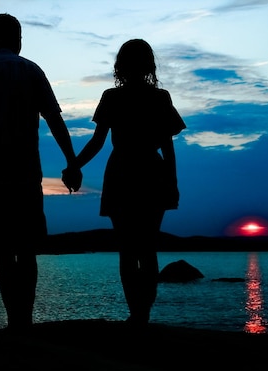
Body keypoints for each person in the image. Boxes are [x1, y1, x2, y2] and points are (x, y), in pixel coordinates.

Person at [0, 13, 80, 331]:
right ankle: (26, 319)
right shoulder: (31, 71)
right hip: (26, 175)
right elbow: (54, 120)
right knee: (27, 249)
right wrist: (71, 161)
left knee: (4, 251)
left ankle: (12, 320)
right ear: (19, 39)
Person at [66, 39, 186, 326]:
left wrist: (73, 165)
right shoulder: (159, 98)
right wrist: (172, 181)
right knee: (146, 246)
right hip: (151, 172)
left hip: (122, 172)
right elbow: (168, 148)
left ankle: (137, 312)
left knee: (129, 249)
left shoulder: (113, 97)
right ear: (149, 65)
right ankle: (142, 313)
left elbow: (97, 142)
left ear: (120, 65)